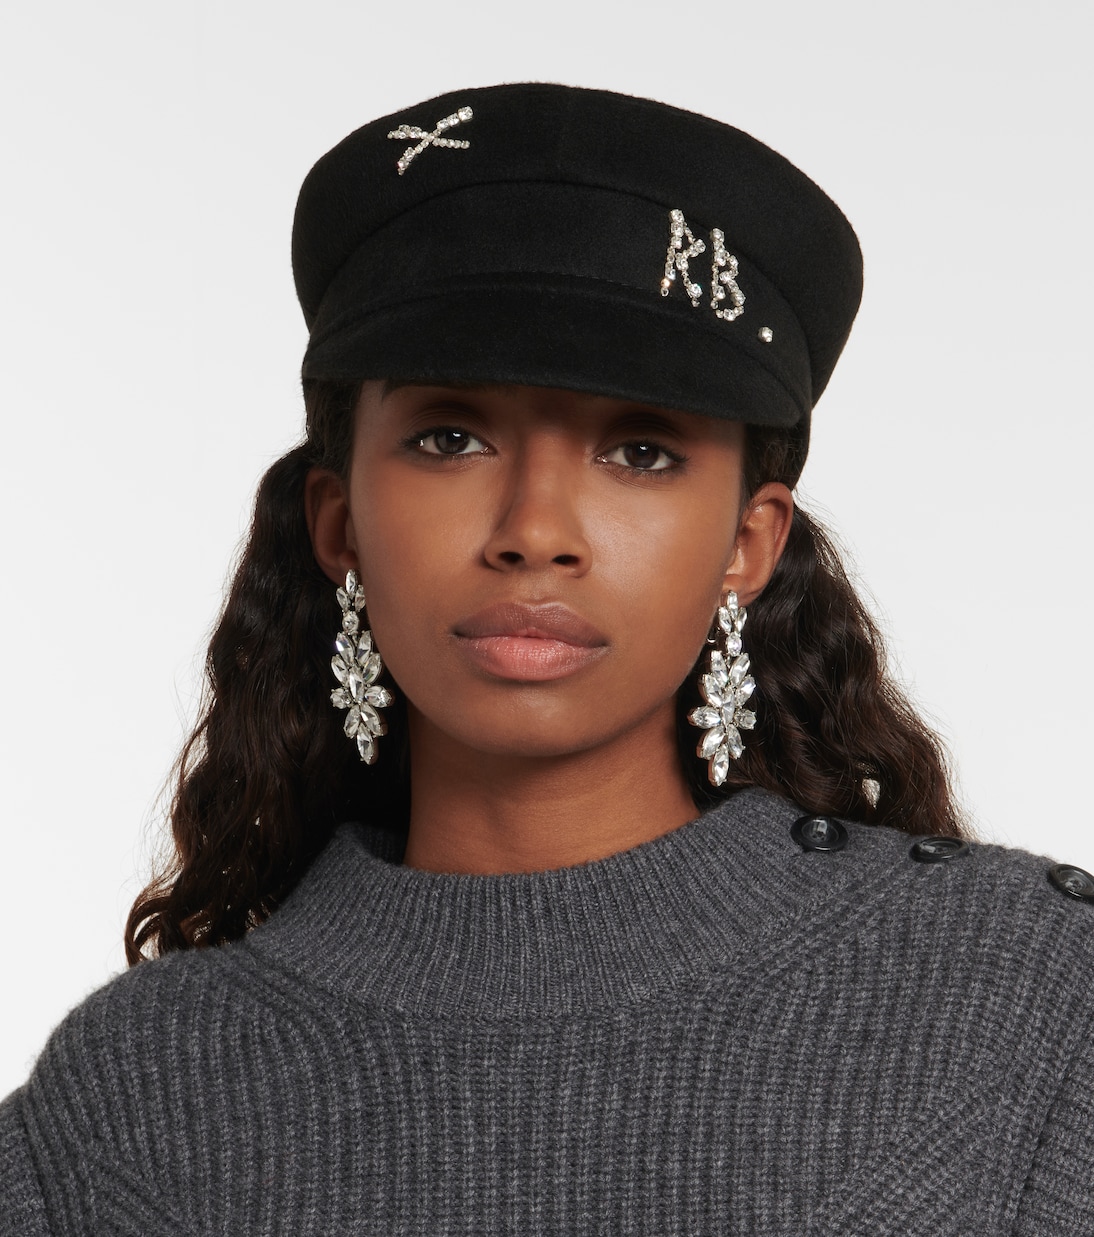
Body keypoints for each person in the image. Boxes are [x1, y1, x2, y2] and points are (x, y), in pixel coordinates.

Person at [2, 82, 1093, 1234]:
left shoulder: (1035, 1006)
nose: (533, 528)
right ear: (338, 522)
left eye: (640, 450)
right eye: (449, 437)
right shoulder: (122, 1112)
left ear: (749, 542)